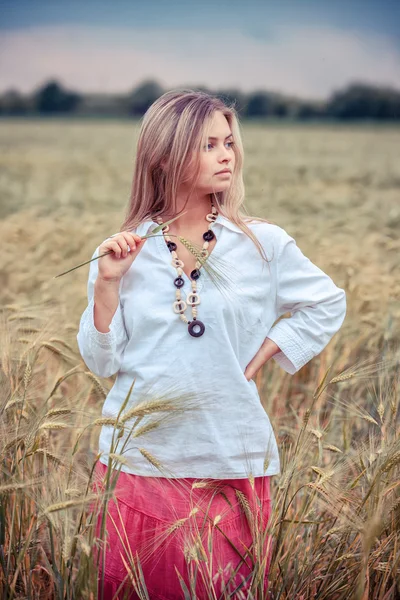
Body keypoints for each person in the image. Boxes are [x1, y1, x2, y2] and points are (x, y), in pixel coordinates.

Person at [77, 89, 347, 599]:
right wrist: (109, 284)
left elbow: (327, 302)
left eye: (229, 142)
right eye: (208, 145)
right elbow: (99, 360)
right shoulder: (123, 252)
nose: (227, 155)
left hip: (232, 458)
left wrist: (267, 353)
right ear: (165, 156)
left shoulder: (262, 243)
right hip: (140, 464)